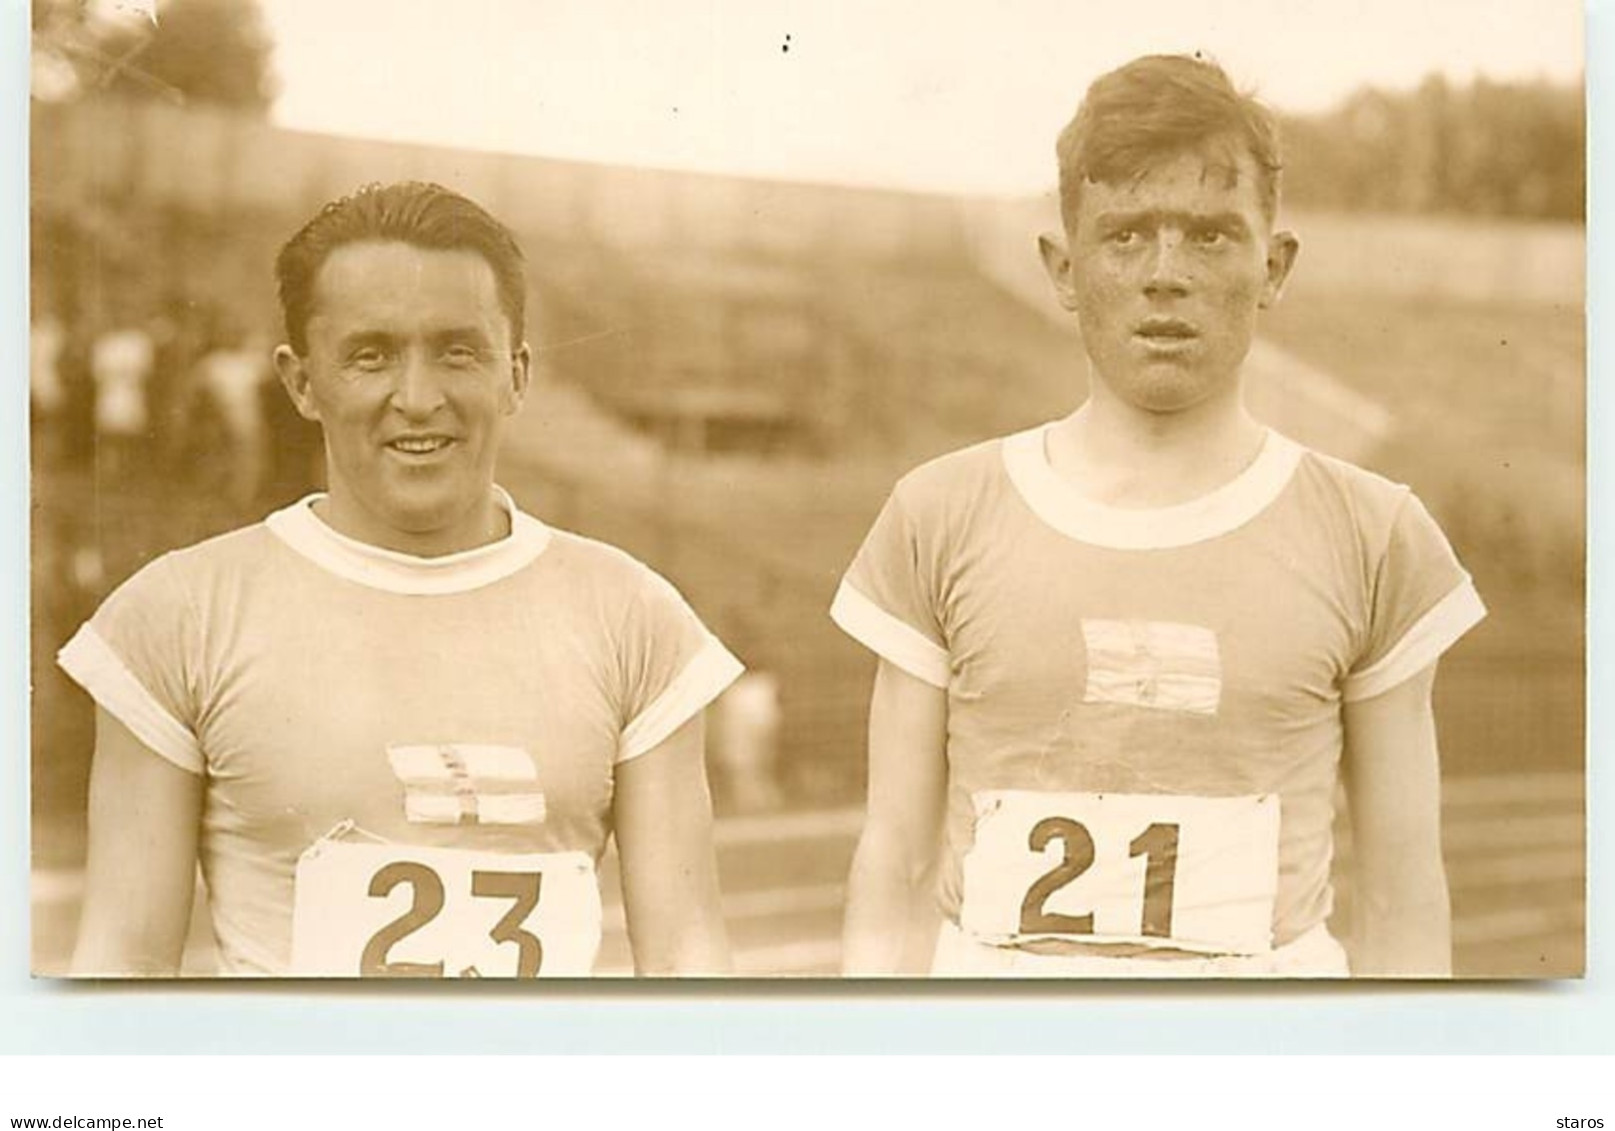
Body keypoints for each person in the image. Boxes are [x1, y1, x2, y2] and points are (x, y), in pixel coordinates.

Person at [831, 55, 1485, 978]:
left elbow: (1400, 894)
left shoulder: (1374, 533)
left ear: (1274, 264)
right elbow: (893, 867)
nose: (1164, 274)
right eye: (1125, 234)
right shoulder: (938, 513)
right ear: (1063, 266)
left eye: (1211, 236)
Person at [60, 182, 740, 977]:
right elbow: (122, 968)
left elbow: (689, 963)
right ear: (301, 382)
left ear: (516, 374)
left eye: (458, 351)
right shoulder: (176, 614)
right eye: (369, 355)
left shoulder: (634, 615)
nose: (417, 399)